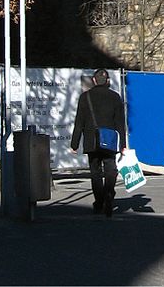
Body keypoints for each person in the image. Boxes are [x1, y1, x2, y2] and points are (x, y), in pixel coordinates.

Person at [70, 68, 126, 218]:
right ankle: (109, 192)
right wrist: (123, 145)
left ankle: (99, 200)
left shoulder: (85, 97)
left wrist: (74, 144)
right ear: (107, 81)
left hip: (91, 140)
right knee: (110, 169)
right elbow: (120, 123)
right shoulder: (115, 97)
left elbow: (79, 122)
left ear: (94, 80)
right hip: (109, 140)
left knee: (95, 172)